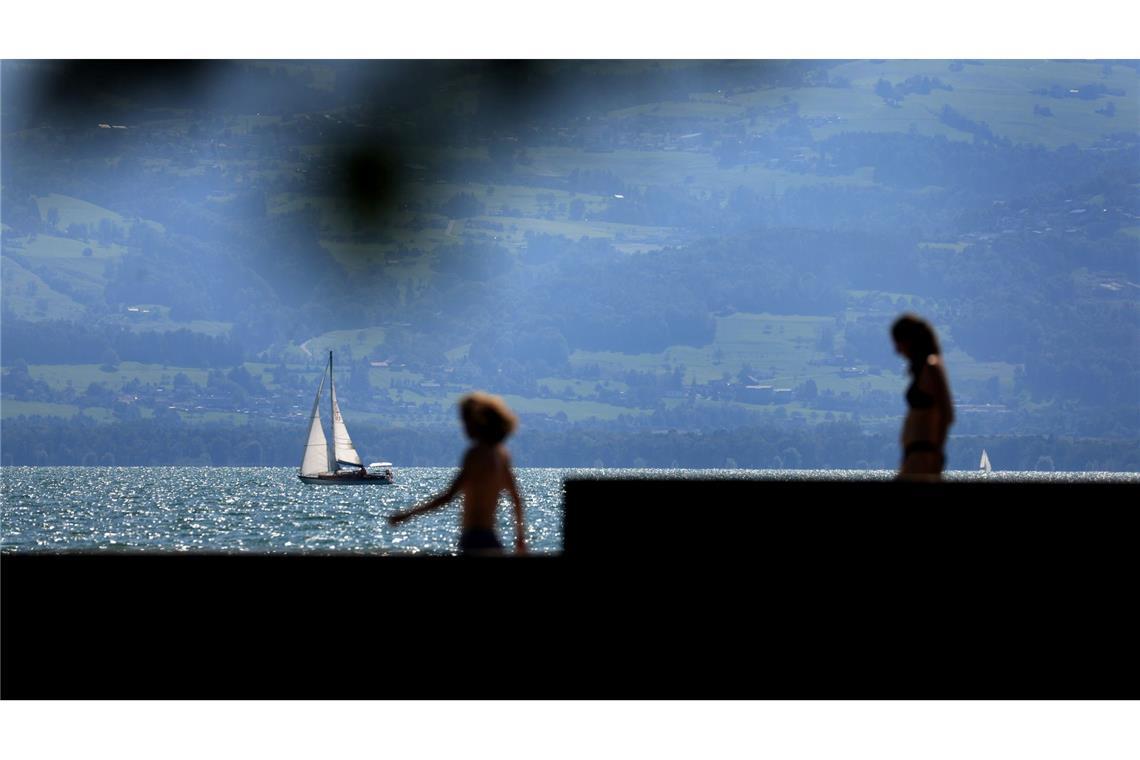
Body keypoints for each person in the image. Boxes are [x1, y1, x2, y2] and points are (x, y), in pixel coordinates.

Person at [388, 392, 526, 555]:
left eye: (465, 421)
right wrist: (520, 538)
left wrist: (407, 514)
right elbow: (515, 497)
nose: (463, 427)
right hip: (491, 538)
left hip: (473, 539)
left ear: (477, 423)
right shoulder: (502, 455)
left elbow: (448, 496)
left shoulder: (475, 455)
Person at [891, 314, 954, 480]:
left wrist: (936, 453)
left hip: (924, 455)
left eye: (898, 342)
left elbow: (946, 413)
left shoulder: (932, 367)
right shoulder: (921, 370)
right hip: (913, 455)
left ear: (910, 340)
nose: (897, 350)